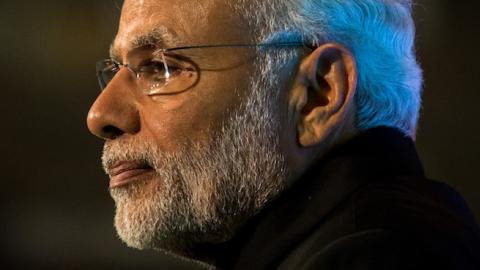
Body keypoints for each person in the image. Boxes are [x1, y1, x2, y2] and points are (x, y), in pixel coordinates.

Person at [87, 0, 480, 269]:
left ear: (317, 95)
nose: (101, 113)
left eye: (160, 67)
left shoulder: (377, 257)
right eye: (117, 67)